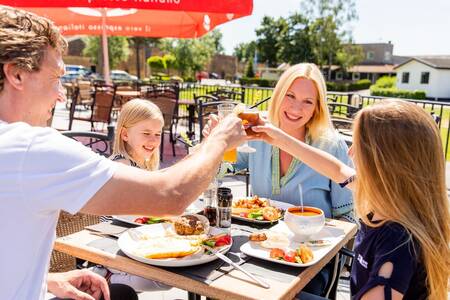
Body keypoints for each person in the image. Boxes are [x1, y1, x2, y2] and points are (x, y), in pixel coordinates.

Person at [0, 6, 247, 300]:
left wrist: (47, 279)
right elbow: (171, 195)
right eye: (56, 78)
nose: (62, 93)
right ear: (16, 74)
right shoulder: (30, 148)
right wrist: (218, 140)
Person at [252, 100, 450, 300]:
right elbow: (337, 169)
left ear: (385, 163)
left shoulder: (397, 241)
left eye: (358, 145)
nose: (349, 152)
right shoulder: (386, 202)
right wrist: (276, 138)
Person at [208, 63, 354, 222]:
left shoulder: (333, 146)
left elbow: (348, 217)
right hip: (259, 242)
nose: (296, 109)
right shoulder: (257, 133)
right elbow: (222, 170)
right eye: (290, 95)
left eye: (308, 101)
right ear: (278, 95)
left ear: (316, 108)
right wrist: (213, 144)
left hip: (314, 244)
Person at [93, 99, 170, 292]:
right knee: (166, 278)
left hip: (133, 239)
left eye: (157, 134)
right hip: (112, 244)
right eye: (146, 133)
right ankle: (109, 277)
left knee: (173, 269)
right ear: (125, 134)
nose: (153, 140)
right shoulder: (122, 166)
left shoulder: (141, 164)